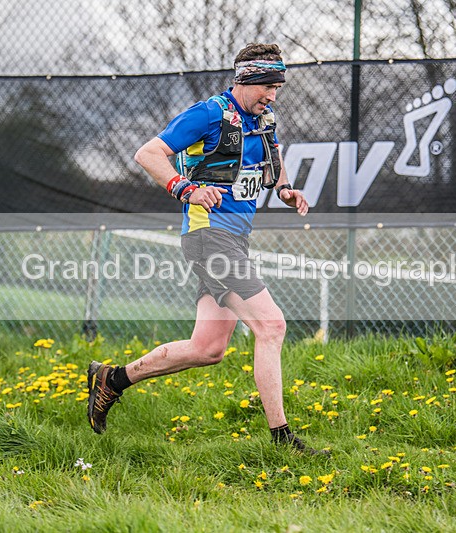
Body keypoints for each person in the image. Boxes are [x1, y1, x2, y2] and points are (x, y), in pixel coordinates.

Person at [86, 43, 327, 455]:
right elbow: (148, 153)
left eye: (277, 87)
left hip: (233, 240)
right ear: (245, 80)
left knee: (208, 349)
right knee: (271, 326)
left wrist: (284, 188)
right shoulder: (209, 113)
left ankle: (112, 379)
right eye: (267, 86)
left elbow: (273, 157)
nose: (273, 95)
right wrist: (186, 189)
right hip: (207, 238)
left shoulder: (263, 119)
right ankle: (282, 440)